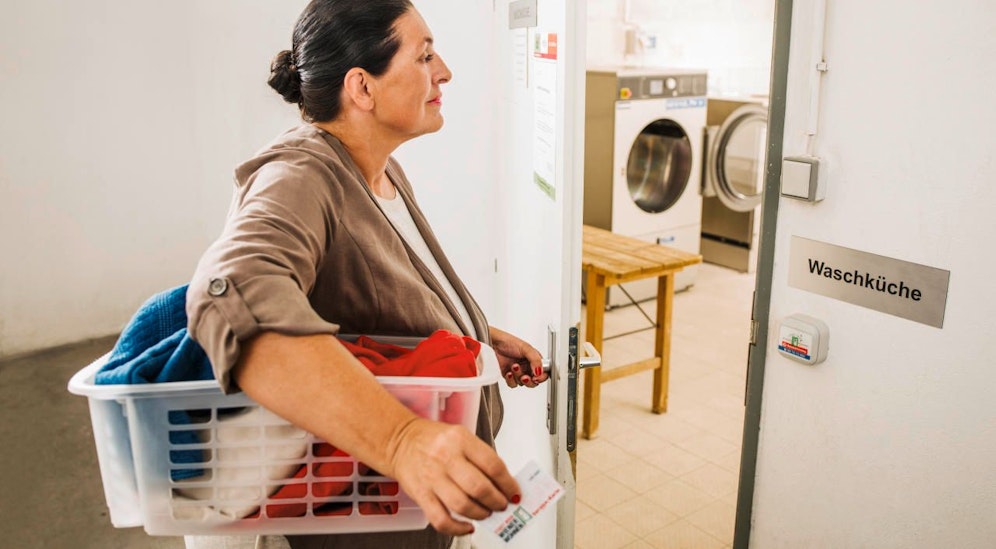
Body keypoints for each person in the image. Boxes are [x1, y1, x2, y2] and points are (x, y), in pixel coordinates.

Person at [184, 1, 548, 548]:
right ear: (362, 88)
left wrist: (473, 334)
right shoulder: (300, 173)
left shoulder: (382, 169)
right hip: (362, 523)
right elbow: (230, 295)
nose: (444, 70)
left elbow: (369, 300)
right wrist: (402, 439)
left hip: (414, 513)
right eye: (424, 55)